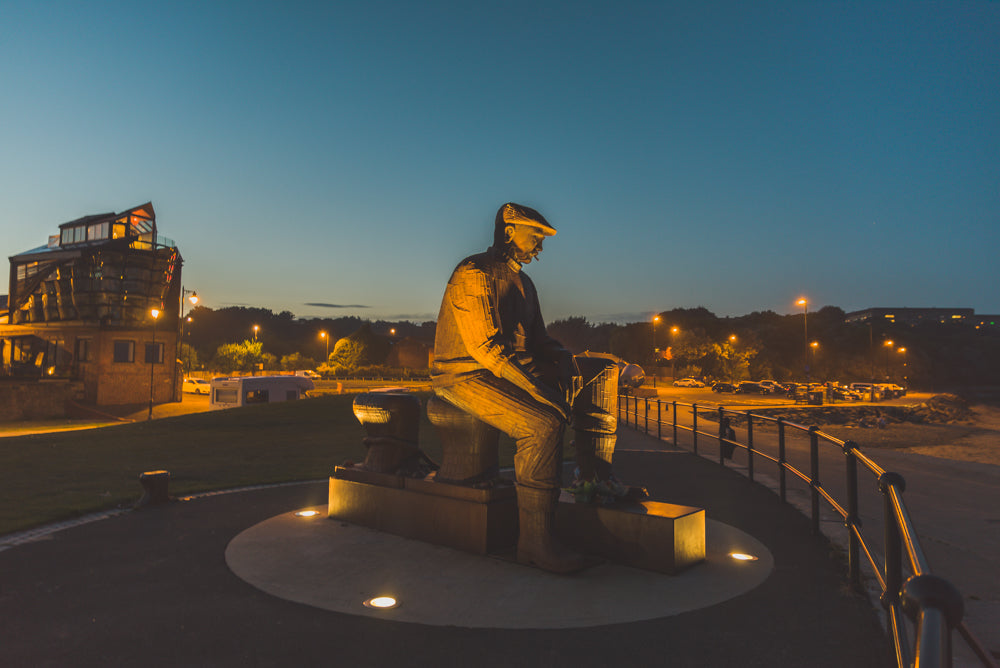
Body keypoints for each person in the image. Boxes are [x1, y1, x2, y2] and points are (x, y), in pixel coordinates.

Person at [431, 202, 595, 573]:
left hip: (511, 368)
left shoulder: (526, 282)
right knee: (543, 423)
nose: (540, 246)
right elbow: (487, 349)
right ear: (509, 231)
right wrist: (540, 392)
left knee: (599, 374)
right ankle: (536, 542)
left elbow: (538, 340)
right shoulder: (474, 273)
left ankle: (598, 485)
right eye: (535, 236)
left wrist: (565, 356)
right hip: (467, 375)